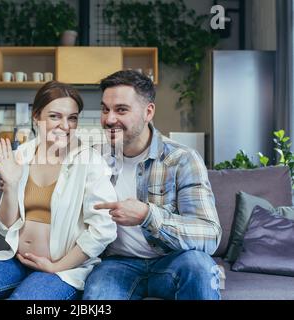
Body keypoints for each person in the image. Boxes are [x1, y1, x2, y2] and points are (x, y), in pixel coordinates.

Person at [0, 81, 117, 300]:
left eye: (72, 118)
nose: (65, 126)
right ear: (37, 117)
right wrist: (10, 187)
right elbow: (6, 227)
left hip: (62, 268)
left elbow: (103, 229)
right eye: (55, 116)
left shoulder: (90, 161)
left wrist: (55, 266)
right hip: (16, 259)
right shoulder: (22, 155)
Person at [82, 70, 223, 300]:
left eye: (121, 110)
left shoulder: (182, 159)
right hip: (116, 263)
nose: (109, 119)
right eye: (105, 109)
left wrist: (148, 215)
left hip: (172, 260)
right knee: (98, 295)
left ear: (148, 112)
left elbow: (209, 234)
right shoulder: (93, 159)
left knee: (199, 266)